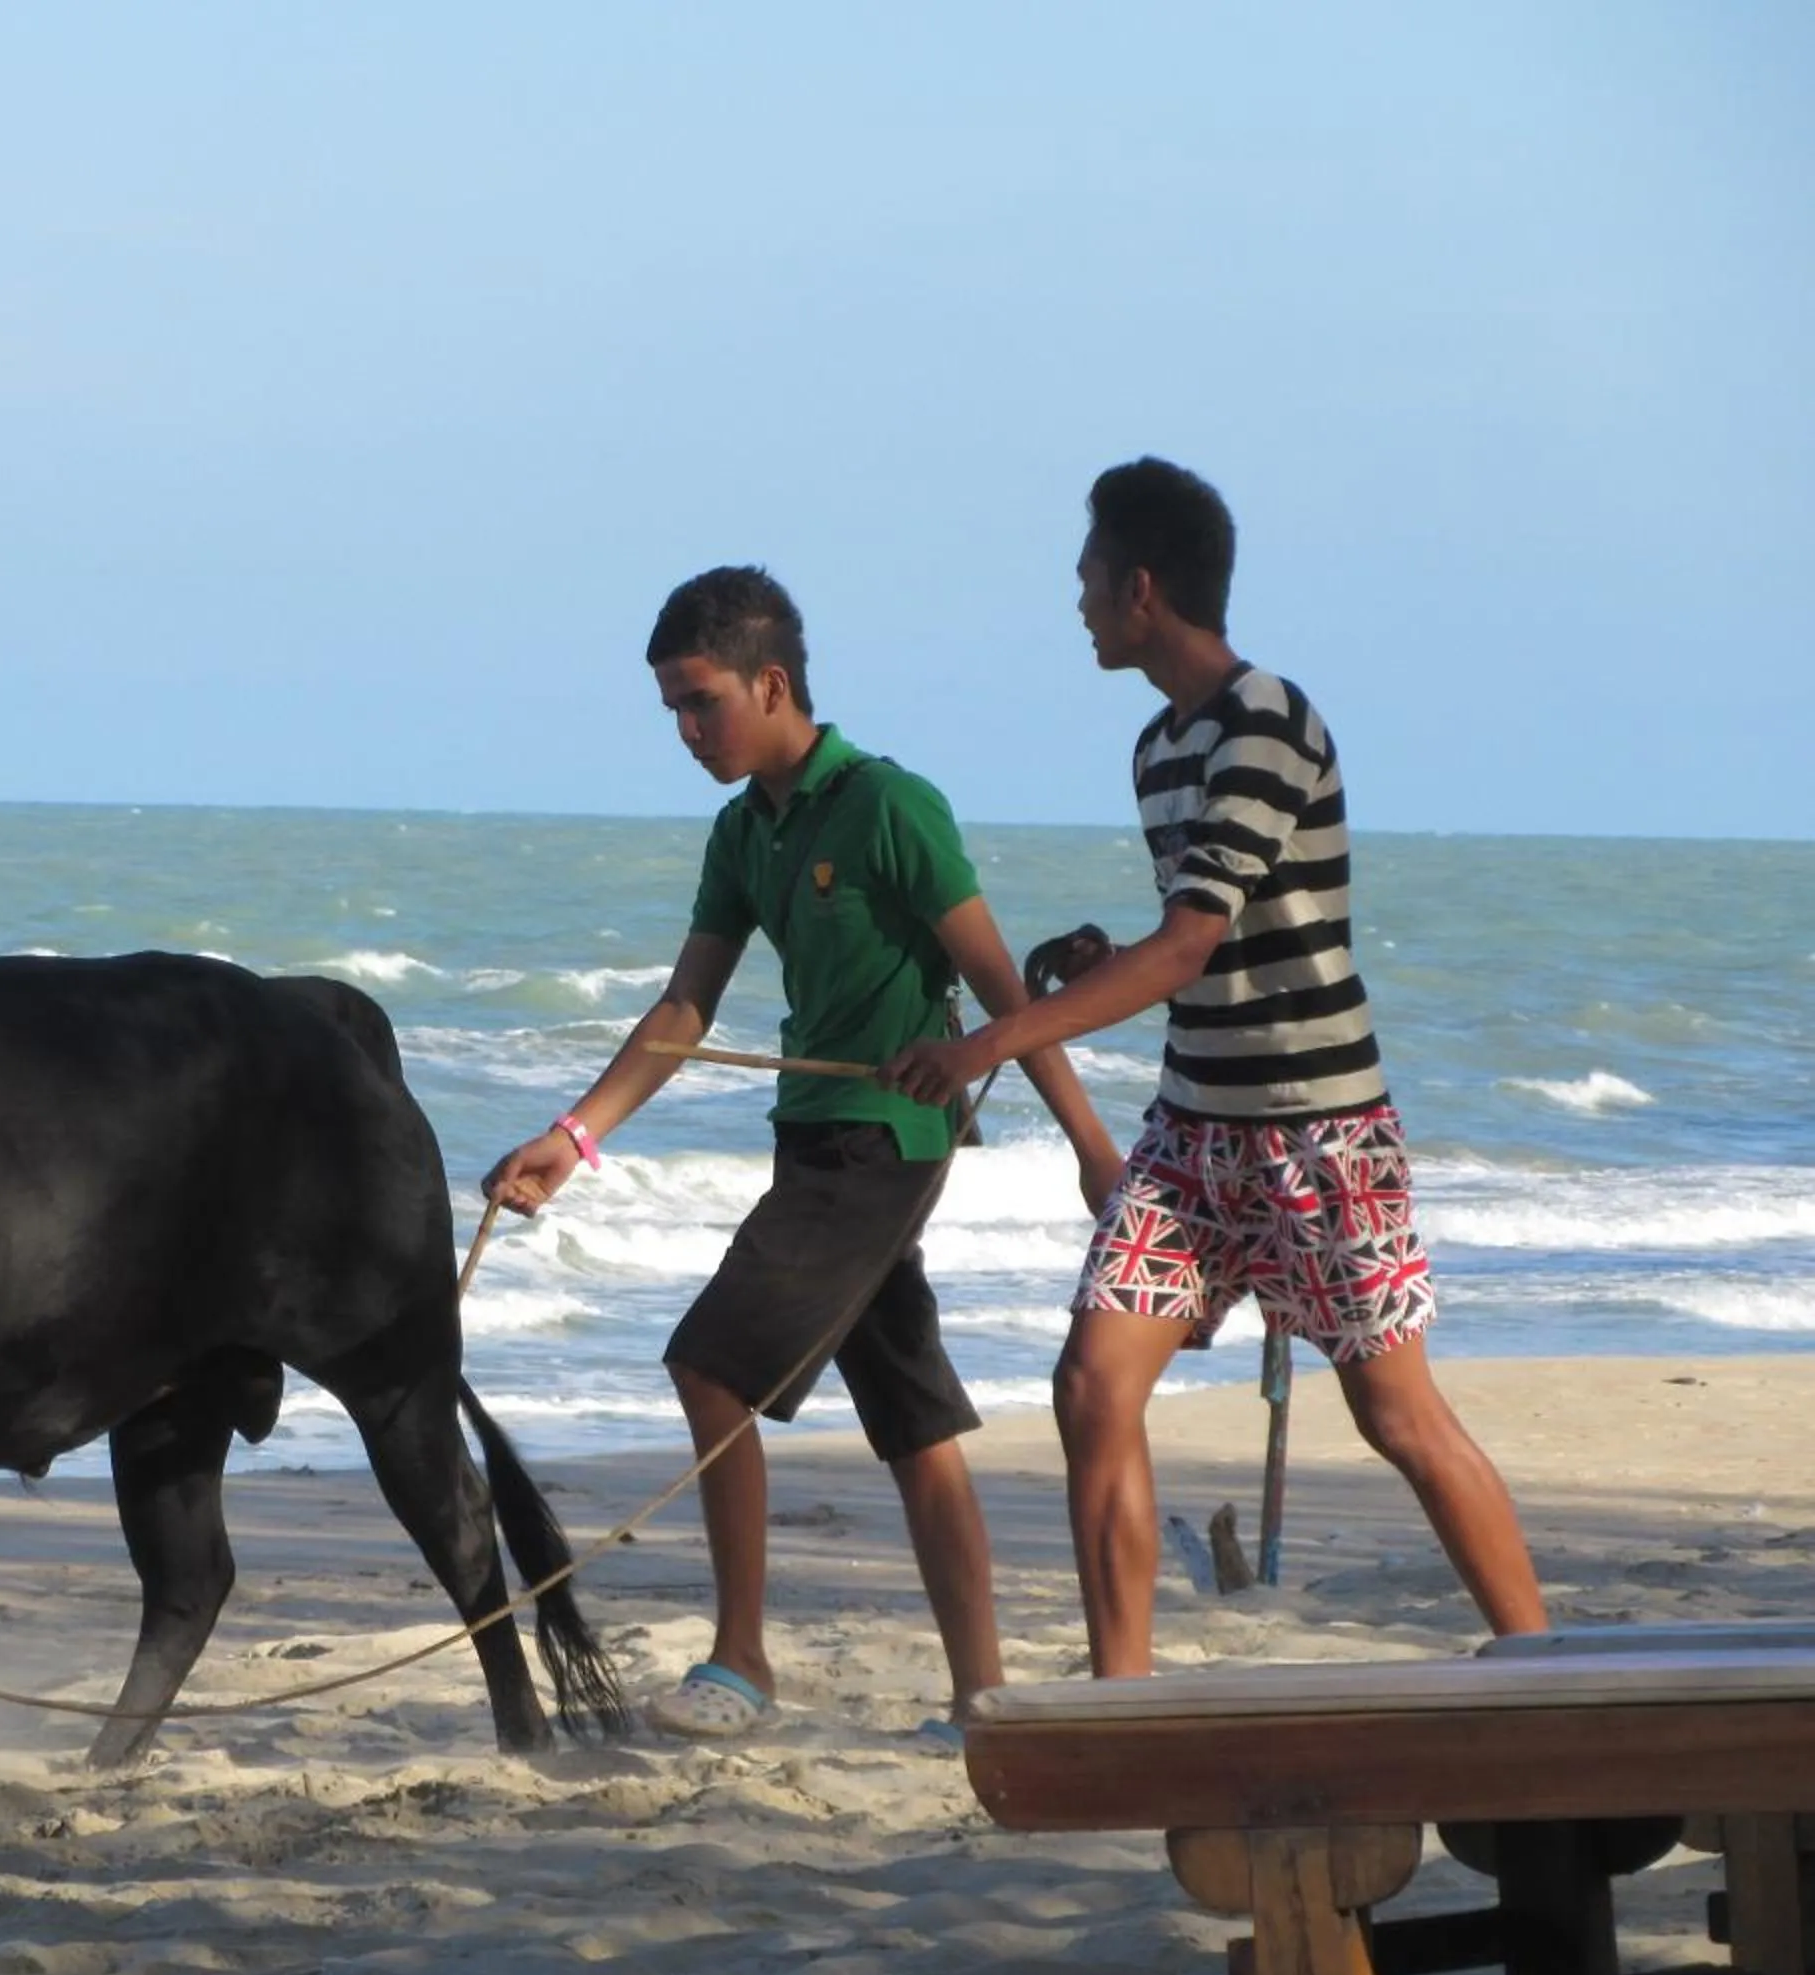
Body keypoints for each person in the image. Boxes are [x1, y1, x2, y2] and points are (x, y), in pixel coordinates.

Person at [881, 457, 1549, 1675]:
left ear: (1141, 588)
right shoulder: (1157, 748)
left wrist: (993, 1037)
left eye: (1086, 577)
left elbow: (1188, 947)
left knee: (1396, 1416)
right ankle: (1122, 1693)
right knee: (1092, 1385)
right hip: (1194, 1132)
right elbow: (1197, 931)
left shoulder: (1269, 721)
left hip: (1320, 1133)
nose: (1074, 601)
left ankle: (1544, 1660)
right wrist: (1098, 957)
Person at [482, 565, 1127, 1739]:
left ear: (771, 682)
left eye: (701, 702)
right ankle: (985, 1696)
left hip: (890, 1139)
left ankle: (742, 1661)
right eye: (670, 709)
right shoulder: (743, 832)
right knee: (914, 1421)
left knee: (709, 1362)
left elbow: (994, 988)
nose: (685, 731)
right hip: (811, 1138)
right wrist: (573, 1139)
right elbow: (684, 1010)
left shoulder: (890, 804)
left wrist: (1091, 1146)